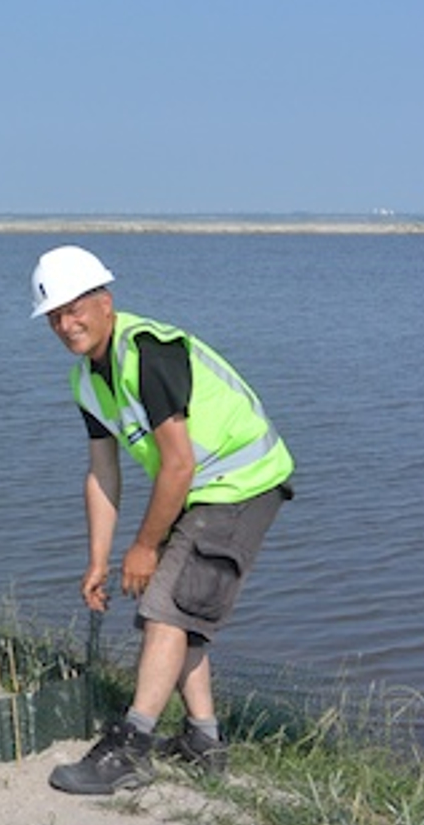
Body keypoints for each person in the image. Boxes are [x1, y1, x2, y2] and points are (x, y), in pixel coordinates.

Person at [31, 246, 294, 795]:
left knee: (168, 609)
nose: (65, 323)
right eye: (54, 315)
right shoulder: (87, 380)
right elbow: (102, 473)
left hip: (242, 484)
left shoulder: (148, 351)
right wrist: (99, 560)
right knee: (176, 609)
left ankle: (131, 748)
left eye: (75, 308)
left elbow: (178, 462)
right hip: (198, 490)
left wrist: (145, 547)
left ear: (105, 301)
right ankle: (203, 741)